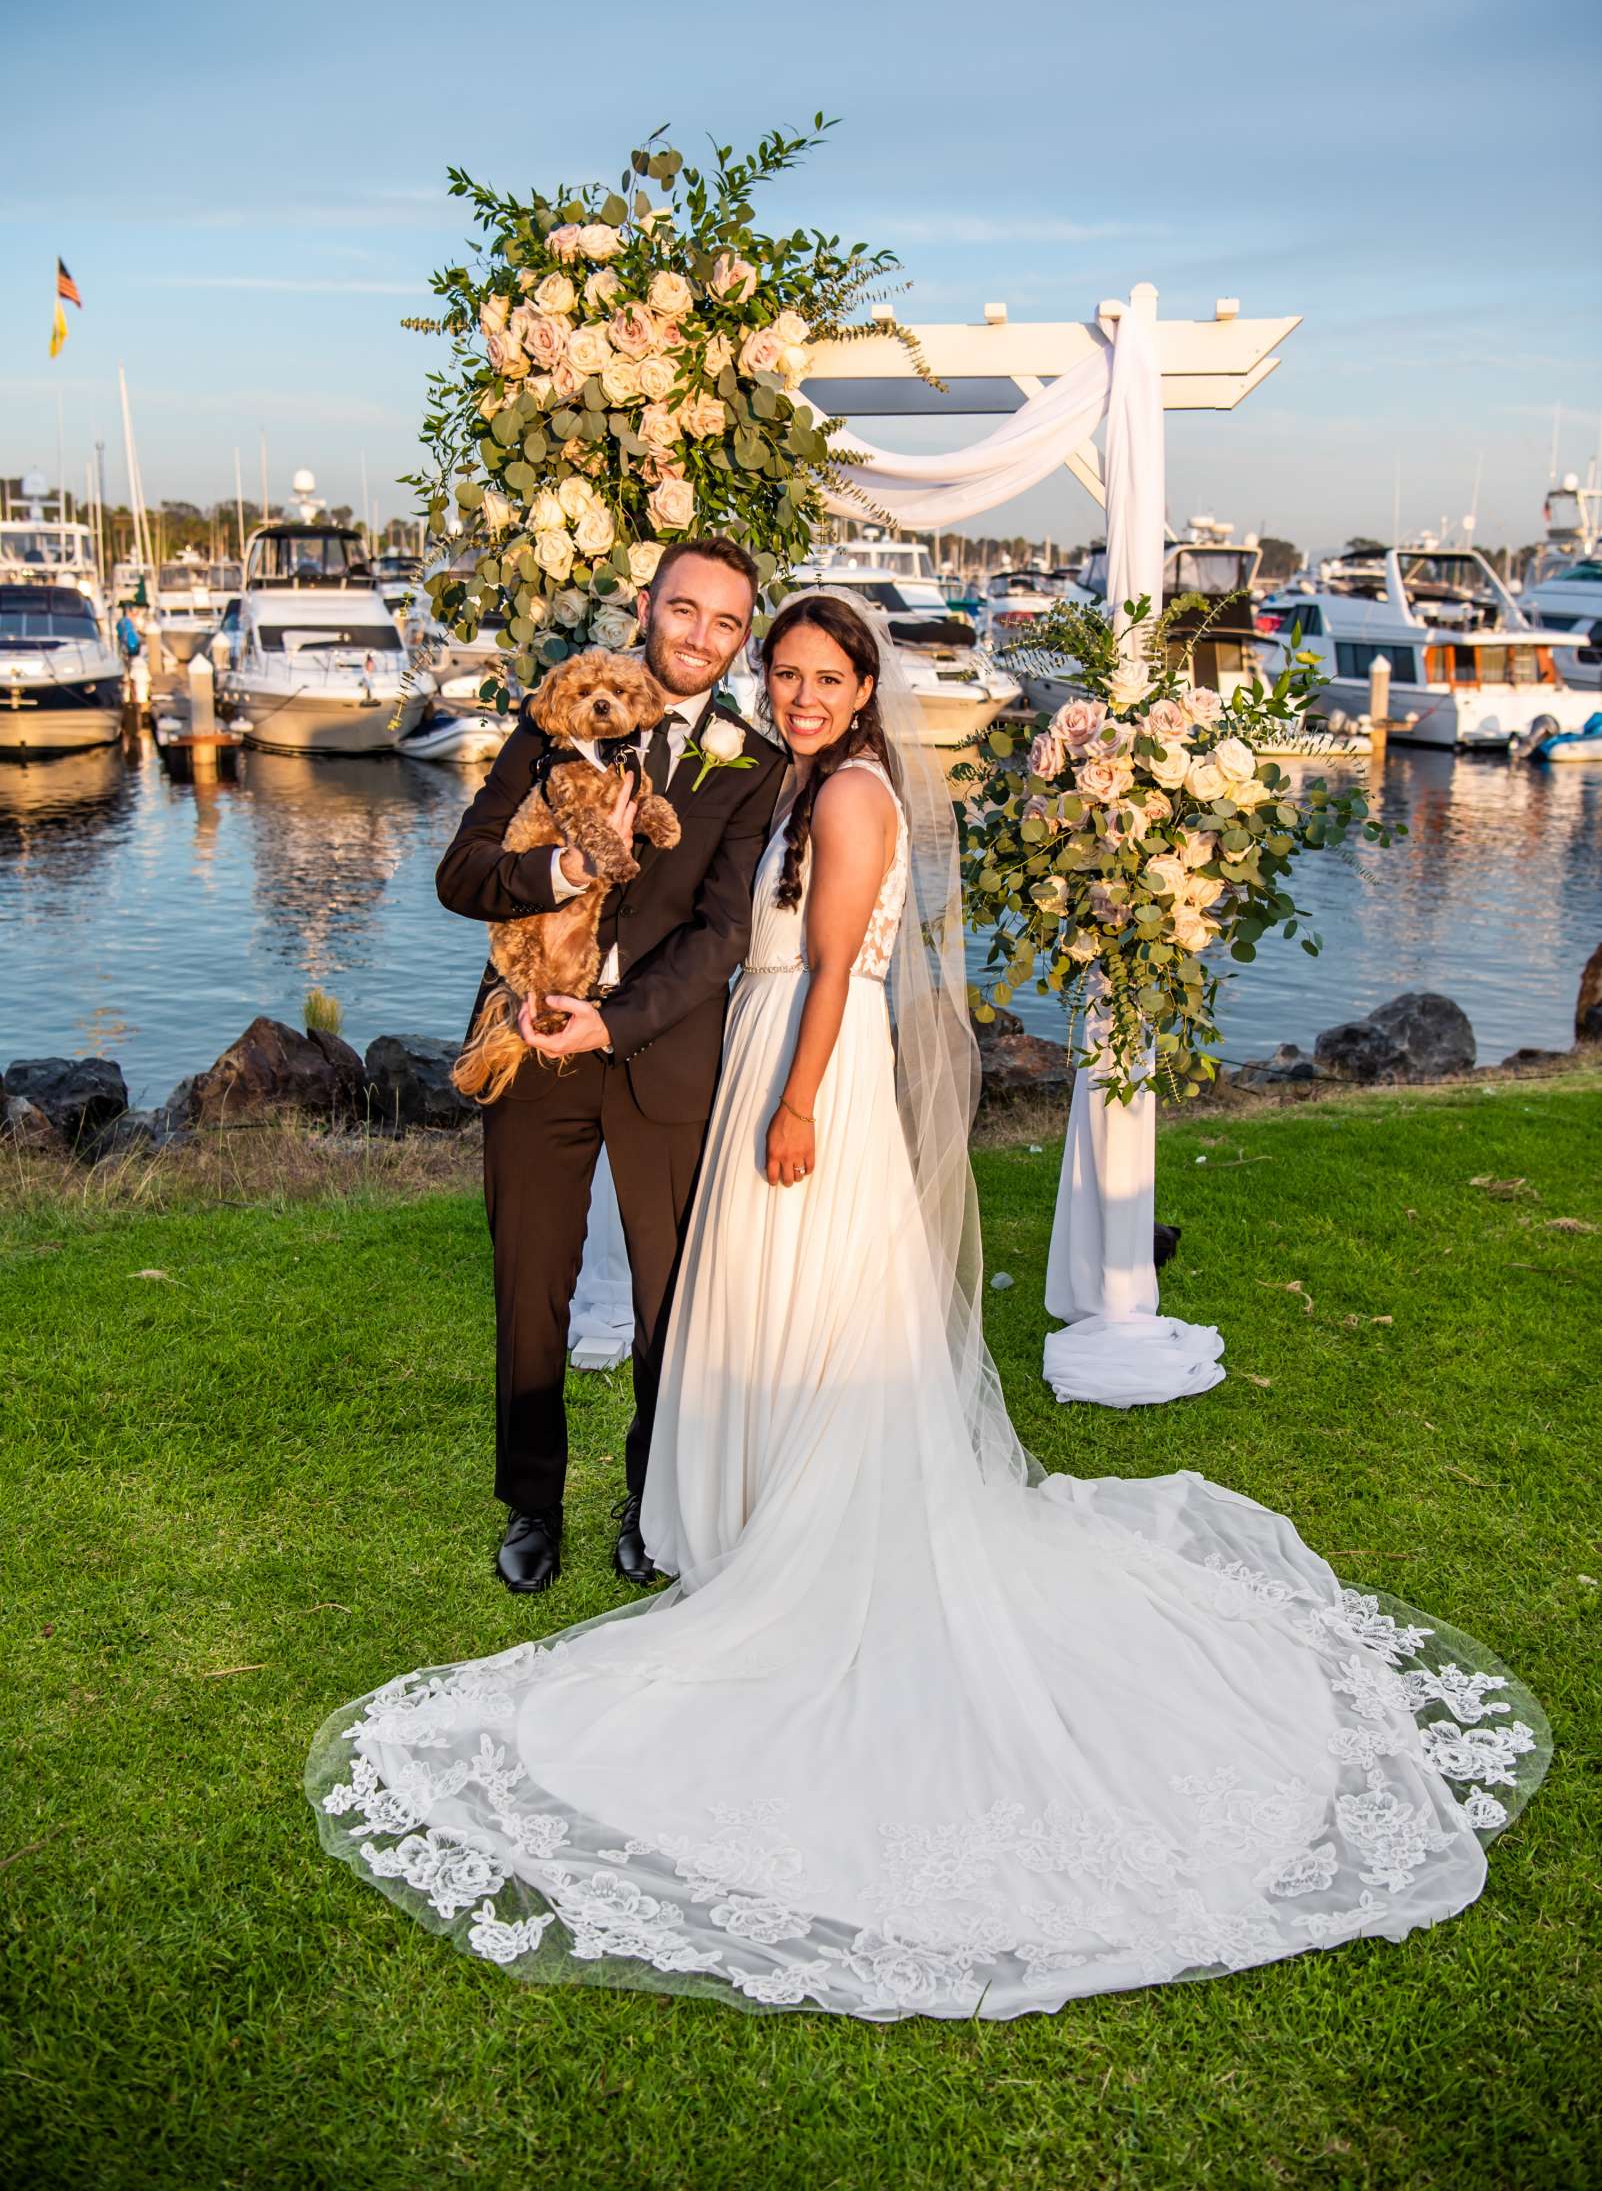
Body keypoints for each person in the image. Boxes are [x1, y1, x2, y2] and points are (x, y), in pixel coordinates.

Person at [309, 590, 1547, 2022]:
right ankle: (673, 1509)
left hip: (793, 1065)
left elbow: (814, 959)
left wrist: (788, 1104)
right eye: (782, 669)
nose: (796, 689)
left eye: (818, 673)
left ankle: (760, 1526)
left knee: (799, 1298)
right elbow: (567, 887)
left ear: (861, 685)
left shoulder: (839, 797)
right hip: (726, 1047)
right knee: (737, 1304)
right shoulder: (778, 771)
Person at [433, 539, 786, 1594]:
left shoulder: (751, 764)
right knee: (528, 1283)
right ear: (646, 607)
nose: (702, 638)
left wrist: (615, 1020)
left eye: (726, 624)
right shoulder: (541, 733)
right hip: (530, 1037)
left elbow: (722, 934)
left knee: (670, 1300)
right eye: (685, 612)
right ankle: (532, 1505)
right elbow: (462, 874)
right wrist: (567, 866)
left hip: (660, 1058)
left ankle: (652, 1498)